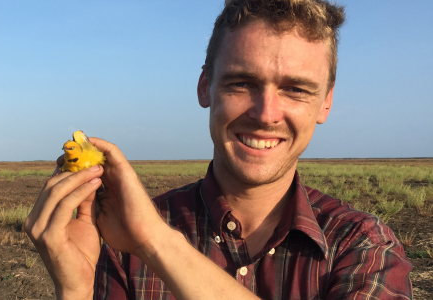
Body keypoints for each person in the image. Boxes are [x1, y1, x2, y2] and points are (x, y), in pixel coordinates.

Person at [24, 0, 413, 299]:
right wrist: (76, 291)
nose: (266, 114)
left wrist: (157, 243)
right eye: (241, 83)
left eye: (295, 89)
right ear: (204, 87)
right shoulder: (122, 242)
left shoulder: (363, 247)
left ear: (325, 103)